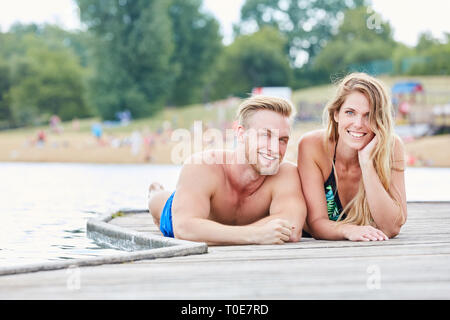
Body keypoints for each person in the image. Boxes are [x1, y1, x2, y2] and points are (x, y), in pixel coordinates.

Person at [148, 96, 307, 245]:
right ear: (241, 134)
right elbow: (184, 229)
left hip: (214, 228)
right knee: (157, 201)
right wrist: (256, 234)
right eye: (265, 135)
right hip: (179, 212)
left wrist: (223, 233)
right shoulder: (203, 165)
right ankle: (156, 191)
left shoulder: (286, 173)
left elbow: (292, 228)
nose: (274, 148)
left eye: (282, 140)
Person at [297, 73, 407, 241]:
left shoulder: (392, 148)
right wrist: (348, 230)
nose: (358, 124)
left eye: (368, 115)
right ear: (336, 114)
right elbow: (317, 223)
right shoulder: (313, 146)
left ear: (380, 120)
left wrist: (367, 163)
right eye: (350, 112)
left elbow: (391, 227)